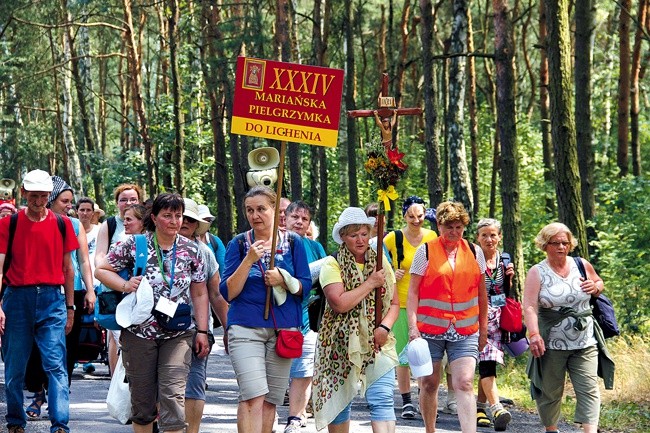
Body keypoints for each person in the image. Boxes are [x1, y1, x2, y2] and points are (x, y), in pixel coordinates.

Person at [95, 193, 210, 433]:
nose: (175, 221)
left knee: (173, 394)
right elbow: (102, 270)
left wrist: (202, 330)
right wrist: (125, 285)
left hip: (178, 333)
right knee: (143, 401)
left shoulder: (192, 249)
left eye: (178, 216)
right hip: (139, 332)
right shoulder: (134, 244)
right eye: (167, 215)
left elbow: (199, 293)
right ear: (154, 218)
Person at [219, 186, 311, 433]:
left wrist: (284, 280)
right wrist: (249, 259)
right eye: (250, 210)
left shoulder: (294, 242)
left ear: (275, 210)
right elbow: (227, 292)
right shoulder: (238, 244)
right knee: (252, 396)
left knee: (271, 400)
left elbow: (306, 287)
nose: (255, 215)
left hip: (283, 330)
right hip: (245, 328)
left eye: (261, 209)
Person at [0, 169, 79, 433]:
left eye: (43, 196)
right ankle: (15, 421)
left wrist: (70, 307)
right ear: (23, 193)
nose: (38, 201)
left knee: (56, 364)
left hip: (52, 298)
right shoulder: (8, 224)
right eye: (33, 196)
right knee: (14, 367)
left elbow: (69, 269)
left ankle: (60, 425)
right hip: (17, 297)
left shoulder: (62, 223)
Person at [312, 207, 399, 433]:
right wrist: (370, 283)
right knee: (339, 405)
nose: (360, 240)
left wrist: (384, 327)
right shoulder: (332, 264)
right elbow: (339, 303)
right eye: (353, 235)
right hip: (339, 345)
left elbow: (394, 303)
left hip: (378, 341)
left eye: (363, 233)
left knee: (382, 399)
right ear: (343, 237)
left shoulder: (380, 262)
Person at [523, 222, 614, 433]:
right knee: (551, 391)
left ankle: (589, 430)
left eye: (565, 242)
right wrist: (534, 334)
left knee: (589, 389)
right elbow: (529, 305)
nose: (562, 247)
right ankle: (552, 429)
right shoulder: (537, 272)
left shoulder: (581, 264)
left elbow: (598, 282)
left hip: (585, 340)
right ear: (545, 245)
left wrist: (596, 287)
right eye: (556, 243)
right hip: (551, 342)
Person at [406, 201, 488, 433]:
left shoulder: (474, 251)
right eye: (449, 226)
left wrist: (483, 330)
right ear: (439, 226)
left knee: (463, 382)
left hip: (465, 329)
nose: (454, 232)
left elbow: (482, 295)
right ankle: (430, 430)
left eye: (459, 227)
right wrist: (413, 328)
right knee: (429, 384)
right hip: (429, 328)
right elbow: (412, 292)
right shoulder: (425, 251)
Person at [24, 177, 97, 419]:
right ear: (51, 200)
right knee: (37, 346)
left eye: (71, 202)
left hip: (72, 290)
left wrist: (89, 289)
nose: (70, 206)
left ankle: (59, 397)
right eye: (65, 201)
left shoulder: (74, 225)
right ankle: (36, 392)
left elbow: (84, 259)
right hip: (43, 288)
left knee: (67, 348)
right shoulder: (32, 222)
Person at [383, 196, 437, 419]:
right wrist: (389, 273)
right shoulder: (392, 238)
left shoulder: (432, 237)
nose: (416, 220)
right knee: (403, 353)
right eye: (411, 216)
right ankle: (406, 401)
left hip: (428, 302)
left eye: (420, 216)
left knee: (427, 352)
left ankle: (423, 393)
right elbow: (376, 258)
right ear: (404, 216)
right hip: (402, 302)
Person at [178, 198, 228, 433]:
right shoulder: (153, 246)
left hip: (197, 328)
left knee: (195, 383)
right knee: (161, 386)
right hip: (157, 329)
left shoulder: (205, 252)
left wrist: (228, 329)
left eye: (190, 219)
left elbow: (216, 294)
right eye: (181, 217)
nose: (184, 222)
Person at [283, 201, 327, 433]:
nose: (299, 222)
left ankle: (295, 417)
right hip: (278, 318)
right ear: (285, 219)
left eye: (304, 219)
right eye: (295, 217)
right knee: (277, 371)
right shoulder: (276, 245)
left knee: (303, 371)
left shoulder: (315, 247)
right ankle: (266, 415)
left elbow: (326, 280)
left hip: (308, 319)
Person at [94, 183, 143, 375]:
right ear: (117, 203)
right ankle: (116, 379)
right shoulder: (110, 224)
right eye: (123, 200)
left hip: (139, 287)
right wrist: (110, 276)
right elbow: (100, 256)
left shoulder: (148, 227)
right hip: (114, 287)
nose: (128, 203)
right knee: (116, 334)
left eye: (132, 199)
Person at [474, 218, 514, 430]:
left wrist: (509, 280)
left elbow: (505, 293)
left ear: (499, 237)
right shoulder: (473, 258)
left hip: (498, 321)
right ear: (478, 238)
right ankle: (497, 408)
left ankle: (480, 408)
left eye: (493, 235)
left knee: (488, 364)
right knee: (486, 363)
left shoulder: (505, 260)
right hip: (476, 318)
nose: (489, 239)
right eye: (484, 235)